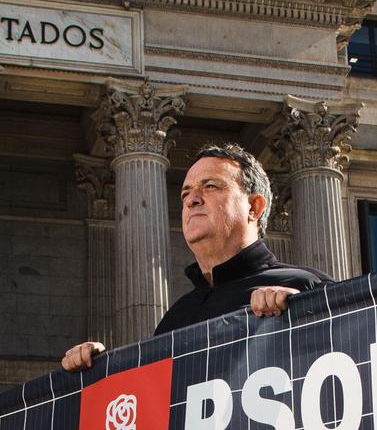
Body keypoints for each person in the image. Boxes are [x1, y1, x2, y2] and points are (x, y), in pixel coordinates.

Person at [60, 144, 328, 371]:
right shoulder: (175, 318)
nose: (191, 200)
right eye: (186, 193)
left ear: (254, 207)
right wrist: (101, 369)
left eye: (210, 186)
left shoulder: (304, 286)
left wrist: (306, 308)